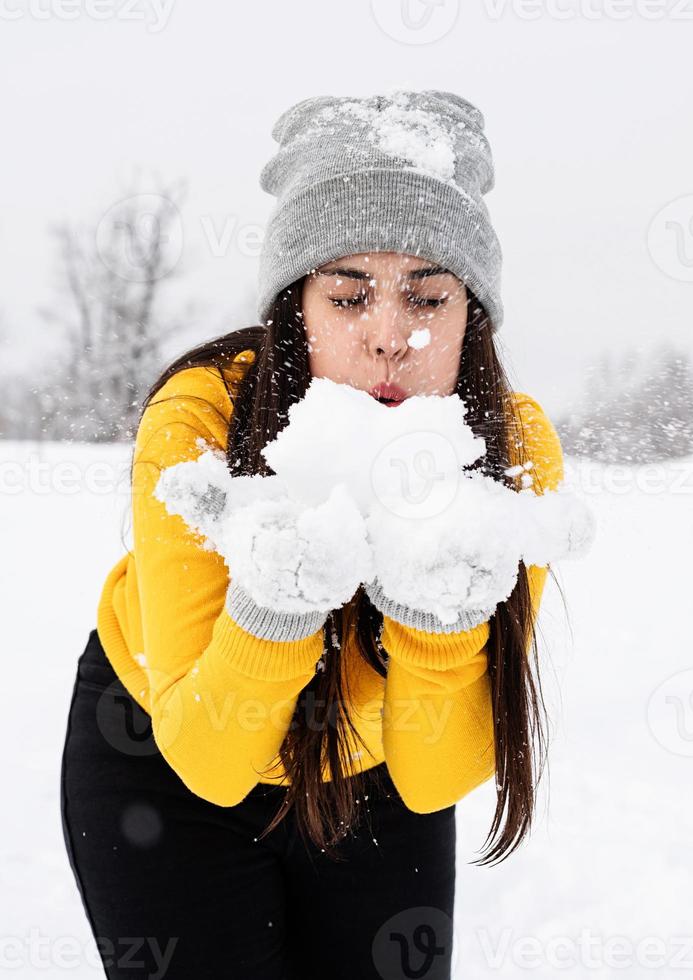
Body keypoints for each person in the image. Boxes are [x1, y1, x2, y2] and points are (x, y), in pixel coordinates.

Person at [60, 89, 565, 980]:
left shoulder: (512, 455)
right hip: (167, 747)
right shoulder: (201, 420)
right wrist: (274, 608)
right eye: (346, 295)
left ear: (470, 314)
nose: (388, 339)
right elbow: (210, 765)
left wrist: (438, 625)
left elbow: (434, 778)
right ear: (294, 308)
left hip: (376, 761)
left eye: (427, 296)